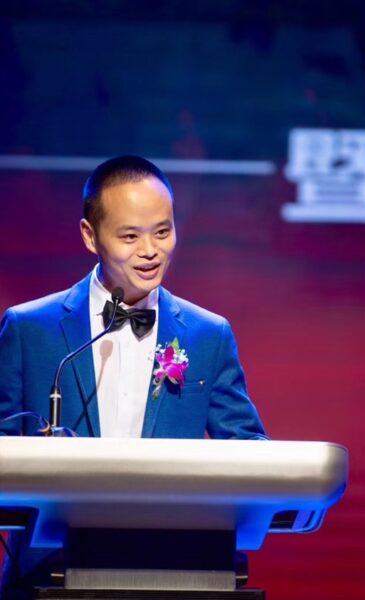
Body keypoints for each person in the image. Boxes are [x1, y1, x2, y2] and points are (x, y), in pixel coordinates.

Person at [0, 155, 268, 596]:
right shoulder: (29, 329)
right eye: (130, 236)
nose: (150, 250)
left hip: (176, 572)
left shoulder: (208, 335)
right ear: (90, 235)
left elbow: (249, 450)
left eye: (162, 232)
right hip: (49, 575)